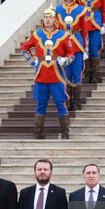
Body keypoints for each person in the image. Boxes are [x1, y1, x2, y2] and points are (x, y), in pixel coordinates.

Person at [19, 8, 80, 140]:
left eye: (50, 17)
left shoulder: (63, 35)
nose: (47, 19)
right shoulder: (37, 34)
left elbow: (72, 54)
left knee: (60, 103)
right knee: (40, 104)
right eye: (45, 17)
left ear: (55, 20)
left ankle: (65, 132)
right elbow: (24, 47)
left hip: (56, 74)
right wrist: (31, 61)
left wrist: (65, 60)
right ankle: (37, 132)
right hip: (41, 74)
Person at [55, 0, 88, 110]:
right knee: (66, 73)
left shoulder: (81, 9)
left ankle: (77, 101)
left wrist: (85, 47)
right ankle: (68, 101)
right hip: (63, 42)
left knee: (76, 72)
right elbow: (56, 30)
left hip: (77, 42)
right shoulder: (57, 10)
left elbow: (84, 30)